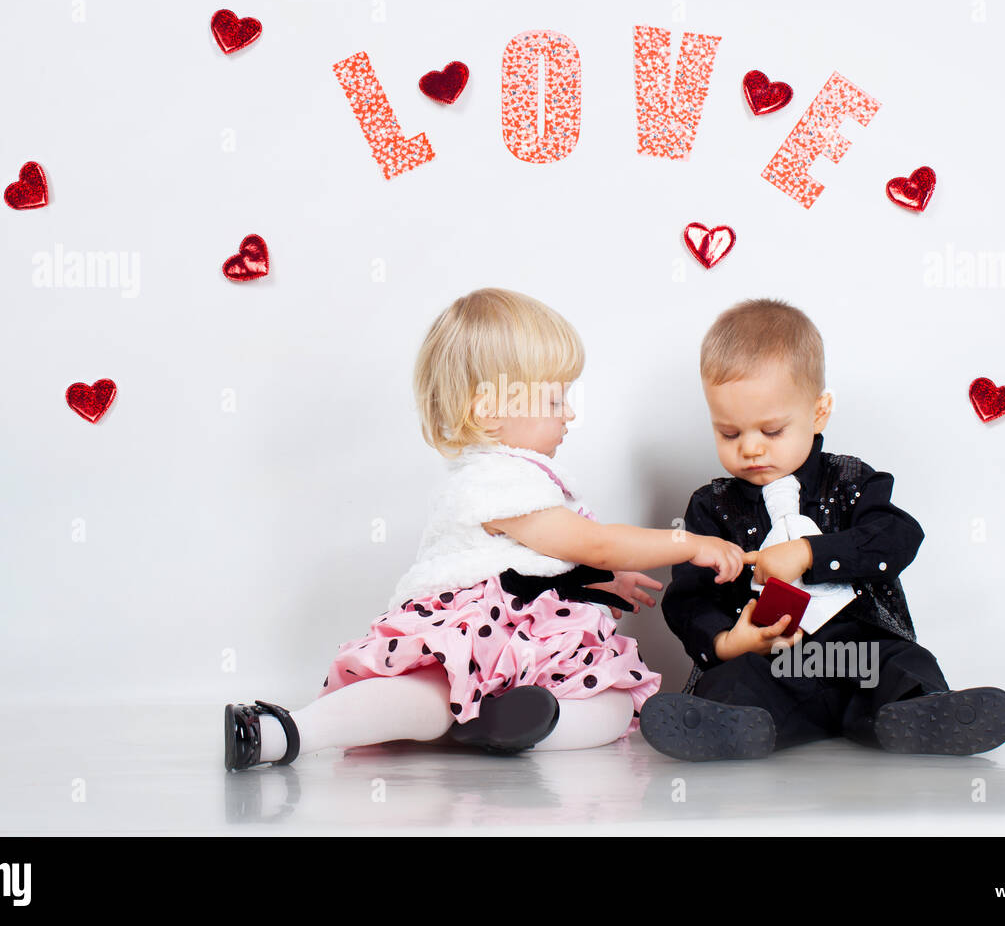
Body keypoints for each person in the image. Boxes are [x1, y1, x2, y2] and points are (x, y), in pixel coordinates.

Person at [225, 287, 748, 770]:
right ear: (489, 409)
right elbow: (591, 540)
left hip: (526, 632)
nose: (568, 414)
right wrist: (687, 542)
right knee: (431, 694)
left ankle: (506, 726)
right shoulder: (492, 479)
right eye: (553, 400)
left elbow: (546, 557)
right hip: (481, 624)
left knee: (612, 702)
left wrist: (598, 579)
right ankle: (282, 731)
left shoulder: (524, 476)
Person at [641, 297, 1005, 761]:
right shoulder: (712, 506)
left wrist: (809, 553)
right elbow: (690, 596)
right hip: (777, 660)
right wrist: (726, 640)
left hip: (857, 653)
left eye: (772, 431)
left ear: (818, 413)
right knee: (736, 682)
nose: (751, 449)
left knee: (902, 664)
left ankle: (917, 715)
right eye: (730, 433)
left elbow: (898, 537)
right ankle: (732, 727)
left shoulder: (853, 481)